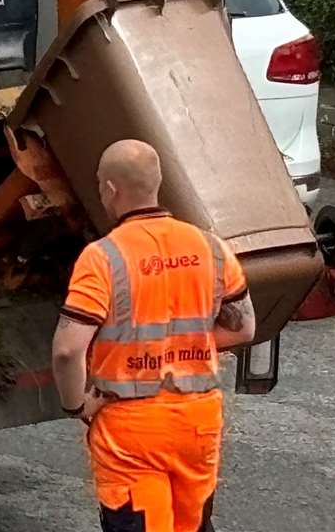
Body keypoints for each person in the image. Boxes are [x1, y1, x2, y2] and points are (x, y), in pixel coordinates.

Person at [51, 139, 257, 532]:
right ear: (157, 182)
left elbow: (67, 350)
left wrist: (77, 405)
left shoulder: (103, 257)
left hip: (132, 430)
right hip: (198, 422)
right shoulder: (210, 247)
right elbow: (244, 326)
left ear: (110, 189)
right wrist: (179, 351)